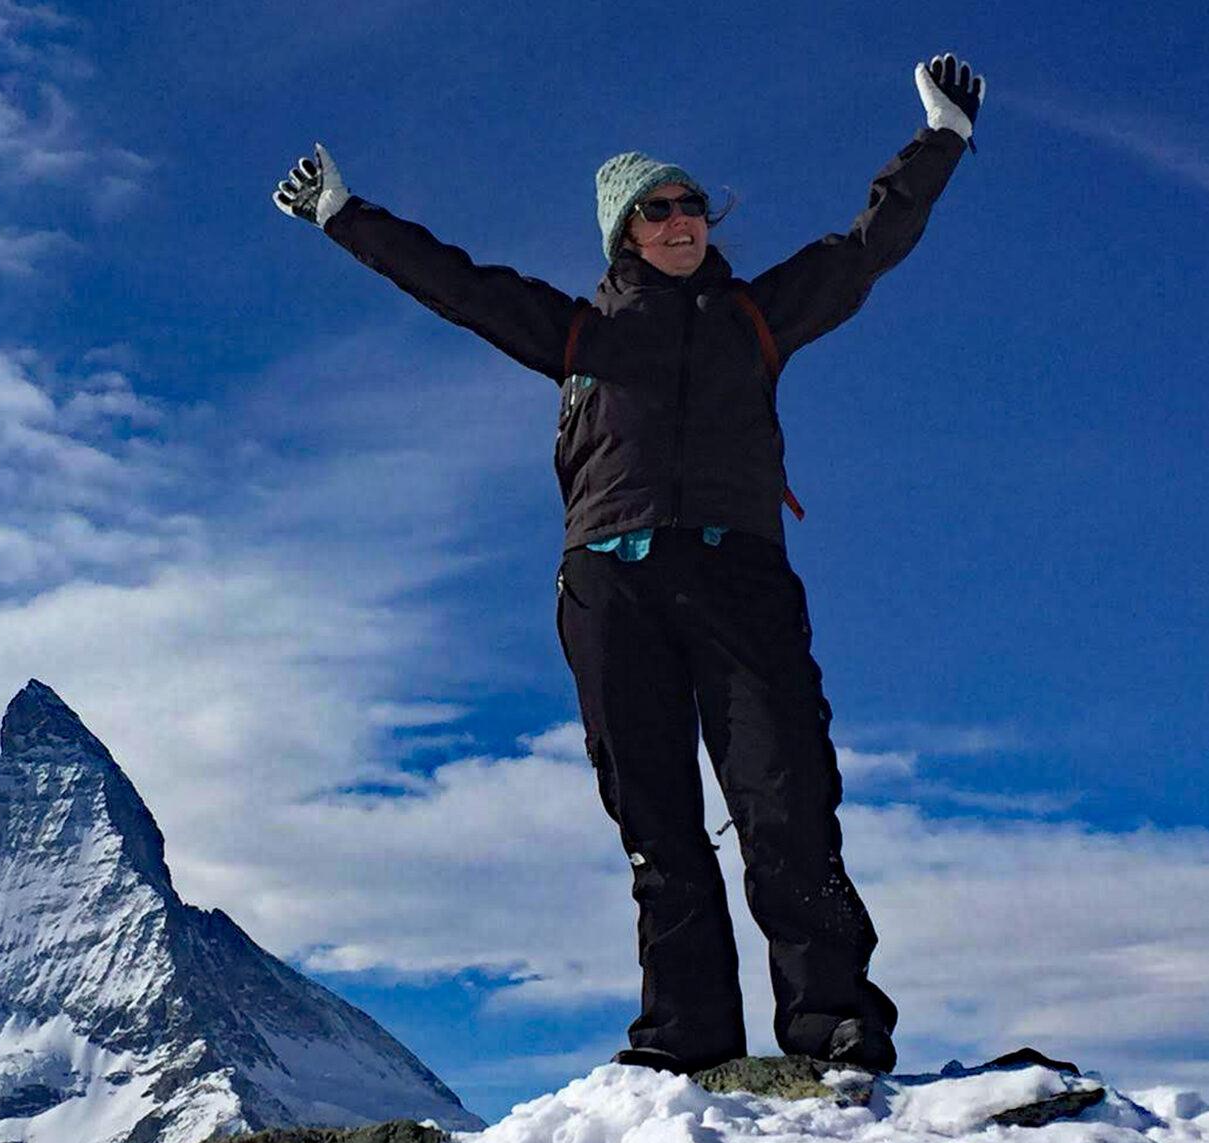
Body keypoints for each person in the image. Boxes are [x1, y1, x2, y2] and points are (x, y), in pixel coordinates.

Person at [272, 54, 987, 1075]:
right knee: (656, 821)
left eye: (690, 204)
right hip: (610, 584)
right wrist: (344, 214)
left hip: (739, 576)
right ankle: (684, 1036)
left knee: (783, 798)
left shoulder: (758, 315)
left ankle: (829, 1019)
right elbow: (455, 285)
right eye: (655, 210)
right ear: (622, 231)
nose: (680, 221)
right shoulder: (575, 332)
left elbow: (868, 246)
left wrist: (941, 138)